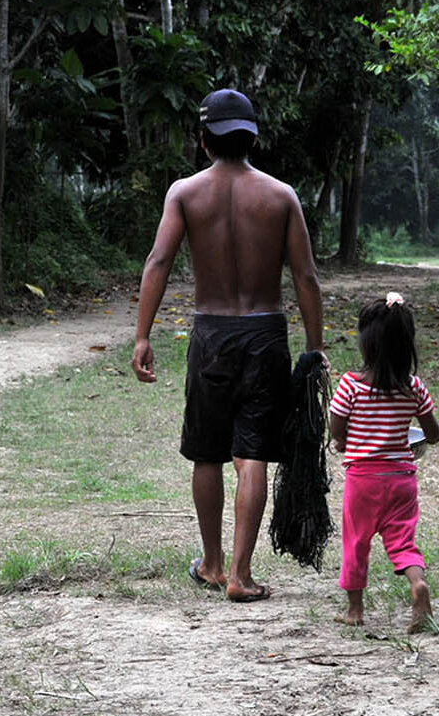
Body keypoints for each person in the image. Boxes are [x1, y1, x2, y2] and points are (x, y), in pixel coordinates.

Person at [131, 88, 324, 603]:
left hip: (212, 335)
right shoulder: (281, 196)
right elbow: (305, 277)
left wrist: (143, 334)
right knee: (252, 453)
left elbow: (158, 262)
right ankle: (241, 574)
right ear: (252, 136)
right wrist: (315, 347)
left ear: (203, 139)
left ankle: (212, 563)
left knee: (208, 453)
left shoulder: (185, 193)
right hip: (266, 335)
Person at [328, 292, 439, 632]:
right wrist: (427, 437)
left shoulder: (351, 385)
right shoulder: (414, 387)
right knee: (402, 541)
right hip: (401, 479)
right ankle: (417, 585)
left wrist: (342, 441)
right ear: (407, 345)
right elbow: (432, 431)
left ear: (366, 344)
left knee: (356, 541)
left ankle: (354, 610)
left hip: (363, 480)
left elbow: (337, 425)